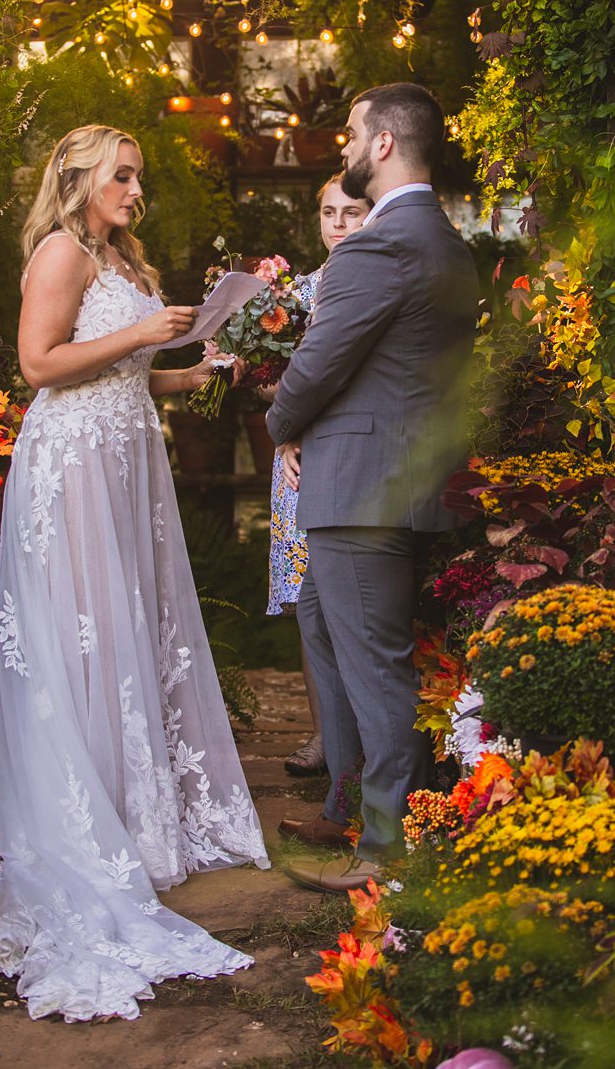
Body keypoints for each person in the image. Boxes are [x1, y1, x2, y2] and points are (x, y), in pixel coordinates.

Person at [0, 124, 269, 1022]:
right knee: (86, 630)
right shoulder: (62, 252)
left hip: (122, 461)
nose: (136, 190)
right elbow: (40, 365)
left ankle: (140, 811)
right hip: (70, 467)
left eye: (139, 177)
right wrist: (144, 330)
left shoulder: (120, 256)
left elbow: (125, 375)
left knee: (126, 629)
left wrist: (190, 368)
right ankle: (90, 818)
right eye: (123, 174)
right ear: (76, 176)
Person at [267, 83, 480, 892]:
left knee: (379, 667)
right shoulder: (445, 241)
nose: (344, 147)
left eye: (352, 133)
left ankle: (385, 851)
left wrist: (281, 420)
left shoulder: (377, 245)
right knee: (340, 632)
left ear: (385, 143)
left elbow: (319, 363)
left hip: (362, 487)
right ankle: (356, 805)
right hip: (400, 478)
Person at [266, 177, 372, 778]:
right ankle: (323, 736)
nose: (336, 223)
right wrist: (284, 426)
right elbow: (273, 374)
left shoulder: (370, 284)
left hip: (348, 453)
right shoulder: (295, 293)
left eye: (350, 212)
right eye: (328, 211)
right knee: (307, 606)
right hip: (295, 462)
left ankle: (362, 738)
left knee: (347, 603)